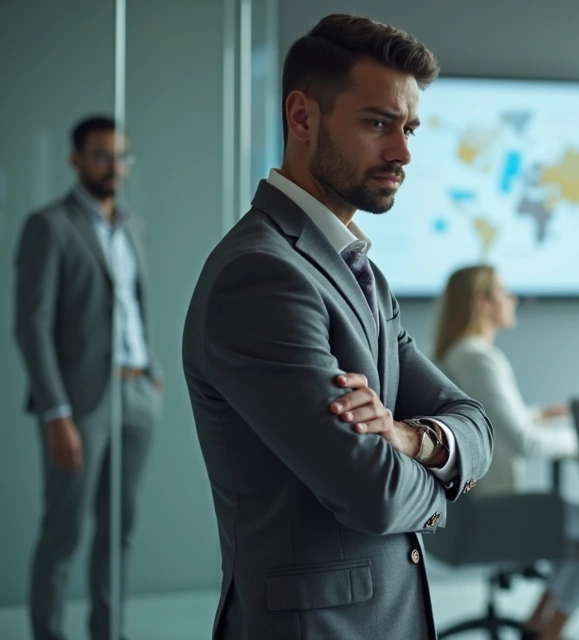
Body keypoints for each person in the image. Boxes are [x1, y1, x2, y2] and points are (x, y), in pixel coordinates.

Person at [182, 15, 492, 639]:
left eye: (408, 129)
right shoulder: (261, 277)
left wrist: (409, 438)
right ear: (302, 118)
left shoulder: (359, 272)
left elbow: (474, 422)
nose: (403, 152)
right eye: (378, 123)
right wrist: (442, 479)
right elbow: (372, 494)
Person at [15, 115, 162, 640]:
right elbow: (32, 327)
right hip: (78, 403)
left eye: (121, 156)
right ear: (76, 160)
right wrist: (56, 413)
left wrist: (152, 372)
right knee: (64, 531)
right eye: (102, 155)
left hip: (138, 394)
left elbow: (133, 307)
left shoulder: (134, 226)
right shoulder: (48, 225)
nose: (114, 166)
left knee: (119, 531)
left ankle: (110, 633)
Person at [434, 265, 579, 640]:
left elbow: (492, 422)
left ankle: (537, 621)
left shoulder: (456, 354)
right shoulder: (479, 359)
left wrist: (538, 414)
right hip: (492, 511)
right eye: (505, 293)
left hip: (462, 509)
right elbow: (524, 442)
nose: (515, 300)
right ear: (483, 303)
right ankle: (550, 631)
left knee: (578, 538)